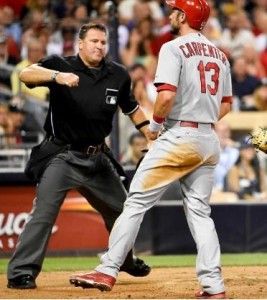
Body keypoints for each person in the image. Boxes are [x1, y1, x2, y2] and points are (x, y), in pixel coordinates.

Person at [69, 0, 232, 299]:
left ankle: (107, 269)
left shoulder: (173, 48)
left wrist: (155, 129)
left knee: (135, 203)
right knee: (200, 214)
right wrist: (201, 120)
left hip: (179, 135)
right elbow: (226, 105)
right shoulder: (221, 56)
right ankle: (213, 285)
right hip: (208, 140)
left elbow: (166, 97)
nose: (170, 14)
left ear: (184, 16)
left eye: (174, 10)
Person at [6, 22, 151, 290]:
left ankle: (125, 261)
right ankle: (21, 272)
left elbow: (131, 108)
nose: (99, 46)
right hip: (64, 155)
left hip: (98, 158)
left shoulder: (117, 74)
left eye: (103, 42)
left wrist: (148, 133)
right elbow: (26, 74)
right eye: (94, 41)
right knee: (44, 213)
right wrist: (55, 77)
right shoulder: (59, 64)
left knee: (124, 212)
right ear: (80, 44)